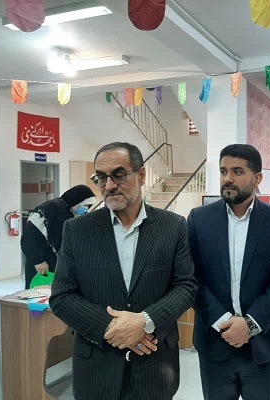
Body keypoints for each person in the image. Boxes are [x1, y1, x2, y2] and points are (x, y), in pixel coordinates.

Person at [49, 142, 197, 400]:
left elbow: (186, 286)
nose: (108, 186)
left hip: (154, 364)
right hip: (97, 367)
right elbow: (62, 297)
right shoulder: (77, 230)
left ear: (141, 175)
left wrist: (145, 321)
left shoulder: (173, 226)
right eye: (100, 177)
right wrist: (114, 328)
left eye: (119, 175)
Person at [188, 144, 270, 400]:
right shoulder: (199, 219)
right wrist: (223, 321)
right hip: (214, 344)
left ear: (257, 178)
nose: (228, 178)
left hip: (261, 346)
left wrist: (249, 324)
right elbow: (191, 278)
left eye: (237, 171)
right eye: (223, 171)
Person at [20, 184, 96, 289]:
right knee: (38, 292)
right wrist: (38, 260)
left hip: (57, 264)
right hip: (42, 263)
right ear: (76, 200)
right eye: (85, 205)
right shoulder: (51, 208)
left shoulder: (70, 214)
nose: (86, 209)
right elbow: (29, 235)